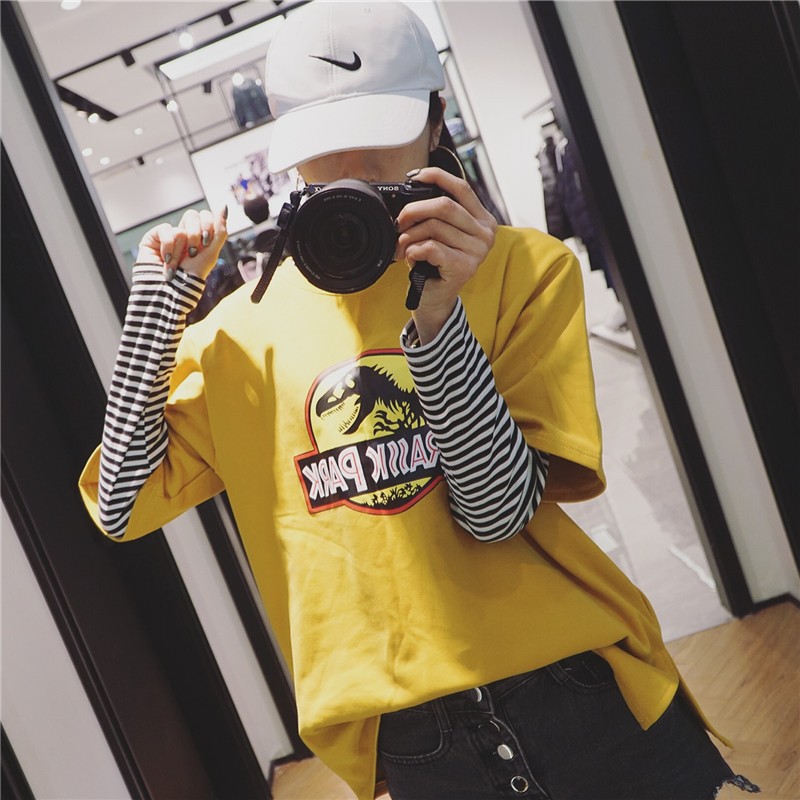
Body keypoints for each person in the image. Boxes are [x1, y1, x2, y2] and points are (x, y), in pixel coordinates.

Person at [79, 3, 759, 799]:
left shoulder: (522, 271)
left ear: (436, 121)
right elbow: (119, 504)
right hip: (416, 742)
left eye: (376, 138)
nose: (349, 170)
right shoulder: (239, 334)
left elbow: (497, 512)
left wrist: (437, 321)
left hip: (578, 690)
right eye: (321, 149)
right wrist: (156, 311)